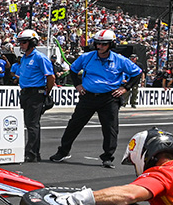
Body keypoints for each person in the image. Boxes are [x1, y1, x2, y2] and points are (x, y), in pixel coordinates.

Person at [49, 29, 142, 168]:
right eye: (98, 44)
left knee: (110, 128)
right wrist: (78, 85)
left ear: (111, 45)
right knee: (74, 124)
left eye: (104, 44)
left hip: (109, 98)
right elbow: (73, 71)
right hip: (88, 97)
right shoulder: (86, 57)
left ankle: (108, 157)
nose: (100, 47)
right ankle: (62, 151)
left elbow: (137, 73)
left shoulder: (120, 60)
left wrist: (125, 88)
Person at [15, 30, 55, 163]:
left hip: (35, 93)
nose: (21, 45)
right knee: (29, 123)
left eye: (24, 42)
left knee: (32, 124)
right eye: (20, 42)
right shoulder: (24, 57)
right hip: (25, 92)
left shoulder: (39, 57)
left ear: (32, 42)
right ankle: (32, 152)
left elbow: (51, 77)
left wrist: (46, 92)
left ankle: (32, 153)